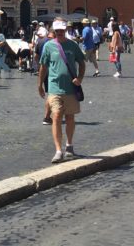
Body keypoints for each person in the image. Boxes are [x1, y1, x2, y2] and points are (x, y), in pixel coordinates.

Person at [37, 18, 86, 163]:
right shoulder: (48, 46)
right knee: (57, 116)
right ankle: (58, 150)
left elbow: (82, 63)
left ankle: (69, 145)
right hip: (54, 87)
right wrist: (40, 85)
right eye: (56, 31)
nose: (59, 33)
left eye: (61, 30)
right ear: (53, 31)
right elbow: (43, 67)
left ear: (65, 31)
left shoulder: (73, 45)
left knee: (70, 117)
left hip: (71, 88)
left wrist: (80, 79)